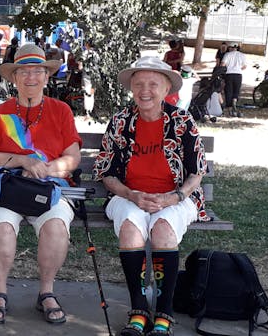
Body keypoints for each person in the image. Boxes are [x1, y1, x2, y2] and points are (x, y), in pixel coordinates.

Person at [93, 56, 207, 336]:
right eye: (139, 84)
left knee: (163, 229)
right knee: (131, 229)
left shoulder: (181, 120)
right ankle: (139, 310)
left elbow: (197, 172)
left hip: (176, 197)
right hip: (127, 195)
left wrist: (174, 197)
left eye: (153, 84)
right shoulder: (121, 121)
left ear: (166, 88)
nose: (145, 90)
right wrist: (130, 194)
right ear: (131, 88)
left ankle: (164, 313)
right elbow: (106, 172)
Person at [0, 44, 81, 325]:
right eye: (24, 71)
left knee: (56, 226)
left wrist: (49, 169)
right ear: (14, 78)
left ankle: (46, 292)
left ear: (47, 77)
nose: (31, 77)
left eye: (38, 71)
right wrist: (22, 161)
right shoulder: (0, 113)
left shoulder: (61, 111)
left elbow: (73, 157)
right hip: (7, 190)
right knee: (1, 226)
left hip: (48, 189)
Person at [220, 42, 247, 117]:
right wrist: (238, 68)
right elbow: (244, 66)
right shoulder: (242, 55)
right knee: (236, 90)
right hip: (238, 74)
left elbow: (222, 64)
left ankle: (229, 108)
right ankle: (234, 102)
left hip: (229, 74)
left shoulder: (227, 54)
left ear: (230, 48)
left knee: (228, 90)